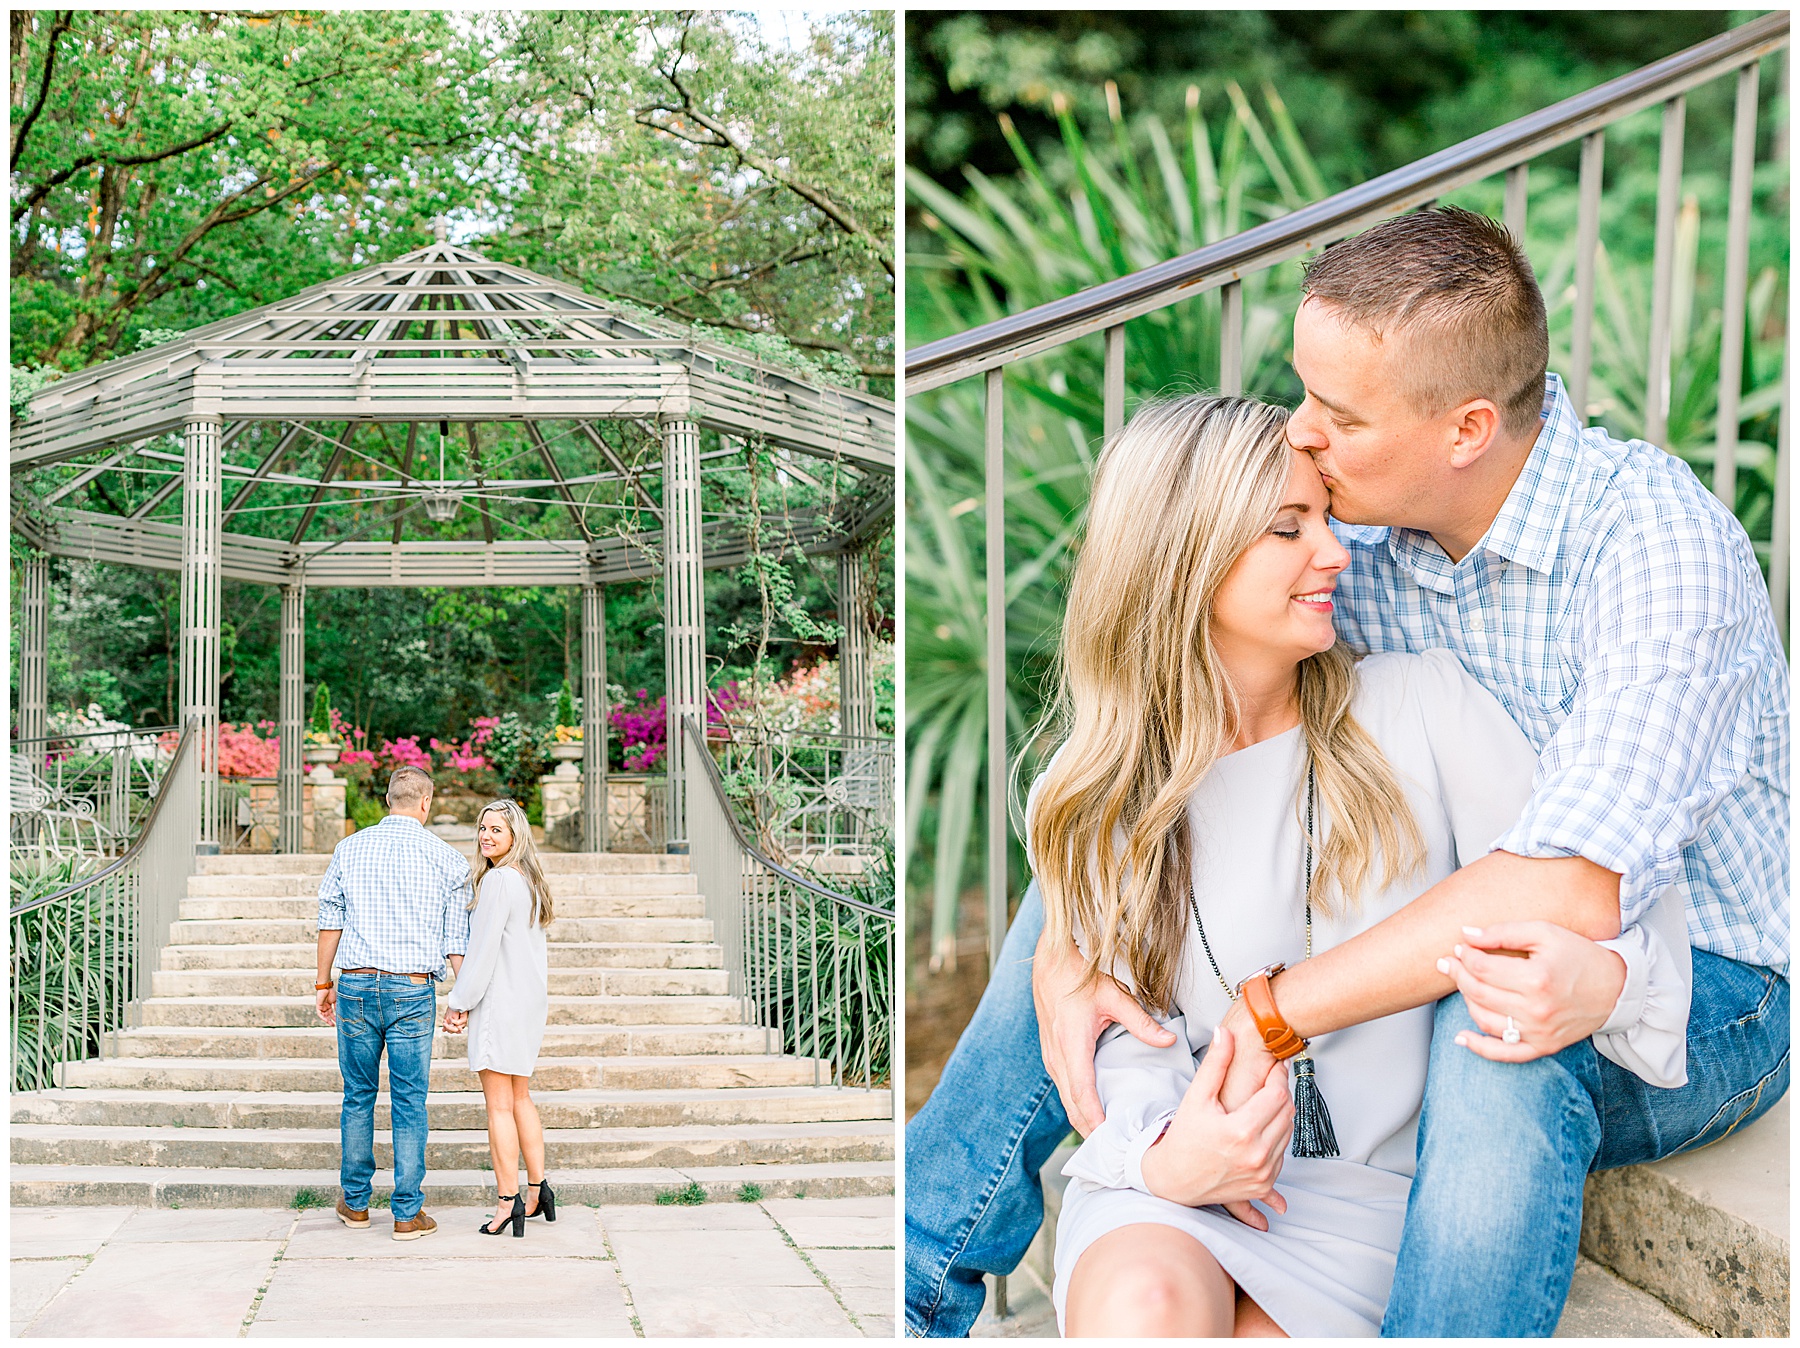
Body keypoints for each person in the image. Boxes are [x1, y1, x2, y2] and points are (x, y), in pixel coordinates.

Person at [904, 207, 1789, 1338]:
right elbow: (1174, 676)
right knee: (1080, 899)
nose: (1303, 434)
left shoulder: (1657, 550)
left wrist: (1270, 1012)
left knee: (1496, 1024)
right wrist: (1074, 934)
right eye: (1305, 392)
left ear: (1467, 429)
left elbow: (1573, 887)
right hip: (1457, 946)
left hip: (1699, 979)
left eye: (1339, 413)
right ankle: (916, 1279)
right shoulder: (1360, 532)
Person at [1030, 394, 1689, 1336]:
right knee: (1142, 1302)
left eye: (1329, 519)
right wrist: (1167, 1160)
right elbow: (1126, 1029)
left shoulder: (1421, 709)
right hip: (1180, 1178)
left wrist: (1614, 984)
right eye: (1288, 528)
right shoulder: (1100, 786)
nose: (1337, 552)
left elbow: (1589, 908)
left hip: (1375, 1200)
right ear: (1184, 557)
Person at [315, 763, 472, 1241]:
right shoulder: (449, 860)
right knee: (410, 1101)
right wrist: (462, 999)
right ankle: (407, 1212)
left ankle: (356, 1203)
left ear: (388, 800)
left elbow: (330, 918)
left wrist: (323, 984)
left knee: (357, 1096)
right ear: (426, 803)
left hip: (357, 987)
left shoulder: (350, 847)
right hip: (412, 989)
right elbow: (455, 940)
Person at [443, 798, 555, 1237]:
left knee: (498, 1108)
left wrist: (459, 1002)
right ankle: (536, 1188)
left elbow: (483, 951)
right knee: (521, 1098)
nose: (487, 836)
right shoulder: (529, 880)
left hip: (500, 1005)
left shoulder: (497, 882)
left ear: (515, 837)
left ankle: (506, 1203)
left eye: (497, 830)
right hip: (527, 1003)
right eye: (483, 828)